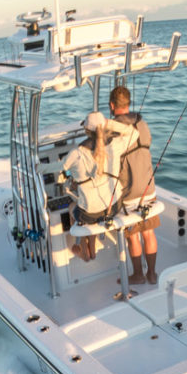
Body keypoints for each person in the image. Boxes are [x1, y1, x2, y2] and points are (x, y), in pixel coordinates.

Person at [61, 111, 137, 262]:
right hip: (114, 207)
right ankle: (92, 249)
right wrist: (109, 123)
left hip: (91, 214)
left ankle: (85, 252)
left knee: (74, 208)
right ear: (104, 128)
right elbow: (133, 132)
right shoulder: (116, 145)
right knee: (93, 207)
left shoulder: (77, 153)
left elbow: (62, 168)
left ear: (86, 131)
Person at [110, 85, 160, 284]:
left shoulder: (113, 129)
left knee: (133, 236)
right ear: (128, 103)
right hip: (149, 187)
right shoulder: (142, 123)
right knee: (149, 232)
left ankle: (138, 275)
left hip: (129, 191)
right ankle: (152, 274)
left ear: (112, 105)